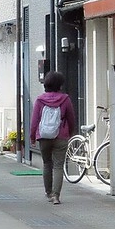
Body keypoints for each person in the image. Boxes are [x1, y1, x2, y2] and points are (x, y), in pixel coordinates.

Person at [30, 71, 76, 205]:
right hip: (61, 135)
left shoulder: (40, 100)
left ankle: (48, 192)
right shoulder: (65, 99)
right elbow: (71, 118)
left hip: (43, 136)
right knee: (58, 166)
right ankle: (56, 196)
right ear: (60, 85)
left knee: (46, 163)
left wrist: (32, 136)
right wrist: (71, 132)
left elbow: (34, 121)